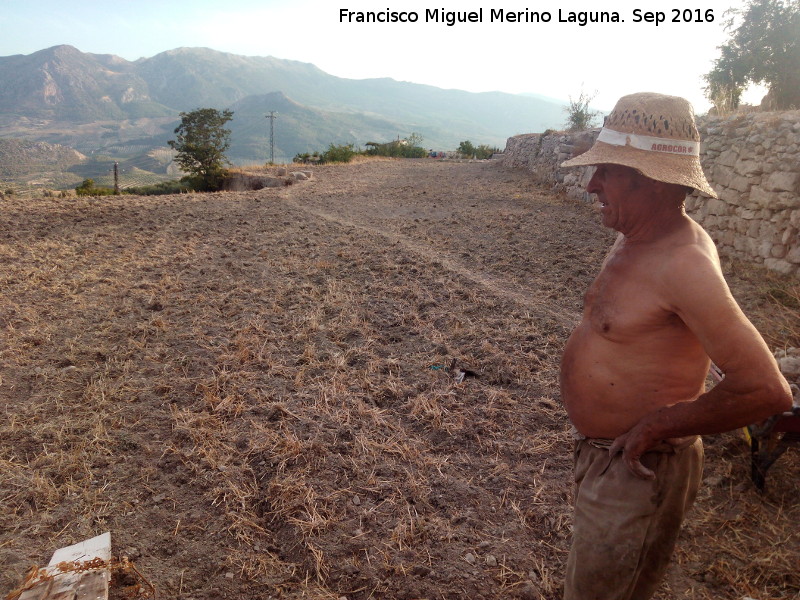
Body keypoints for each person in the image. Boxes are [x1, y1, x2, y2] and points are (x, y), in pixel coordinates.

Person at [558, 92, 792, 600]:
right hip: (610, 461)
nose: (591, 184)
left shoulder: (684, 262)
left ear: (648, 179)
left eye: (605, 172)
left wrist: (656, 426)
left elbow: (766, 389)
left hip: (642, 469)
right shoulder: (636, 236)